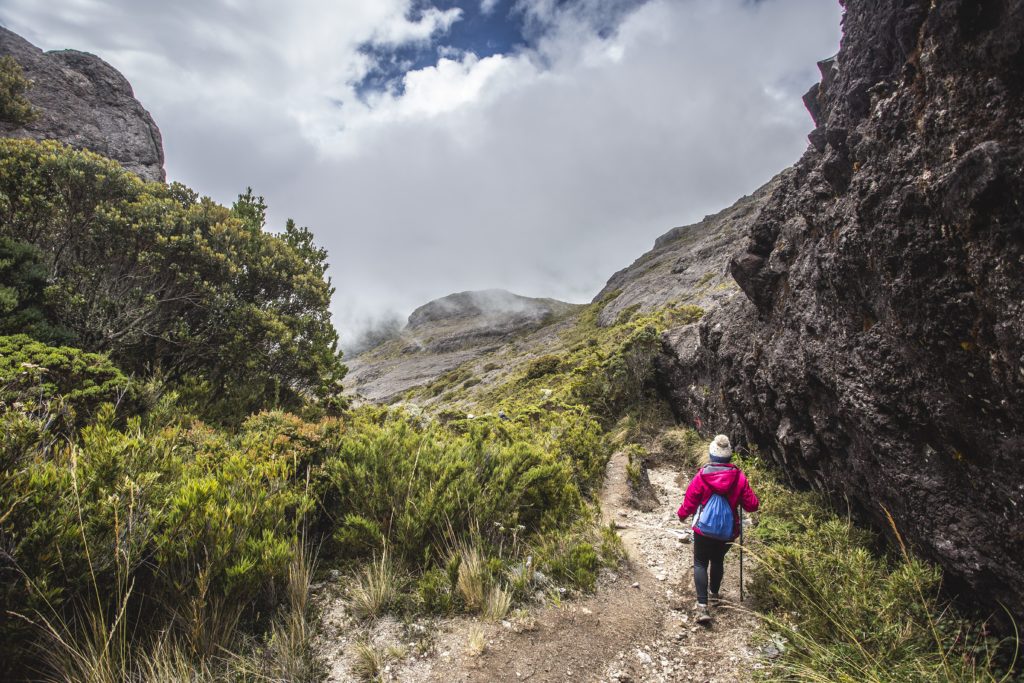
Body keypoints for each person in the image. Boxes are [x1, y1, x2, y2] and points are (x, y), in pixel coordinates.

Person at [677, 434, 759, 624]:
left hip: (703, 530)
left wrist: (681, 515)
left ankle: (702, 607)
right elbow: (752, 505)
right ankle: (714, 594)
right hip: (727, 531)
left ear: (711, 454)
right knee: (718, 560)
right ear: (729, 456)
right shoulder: (739, 477)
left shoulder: (702, 475)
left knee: (700, 562)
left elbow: (690, 502)